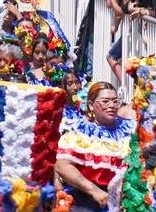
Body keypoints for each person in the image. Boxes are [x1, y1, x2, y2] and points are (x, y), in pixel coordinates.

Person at [56, 82, 133, 211]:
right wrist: (94, 191)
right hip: (86, 200)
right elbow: (62, 166)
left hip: (124, 200)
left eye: (115, 101)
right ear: (91, 105)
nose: (112, 106)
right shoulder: (79, 131)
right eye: (105, 101)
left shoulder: (129, 129)